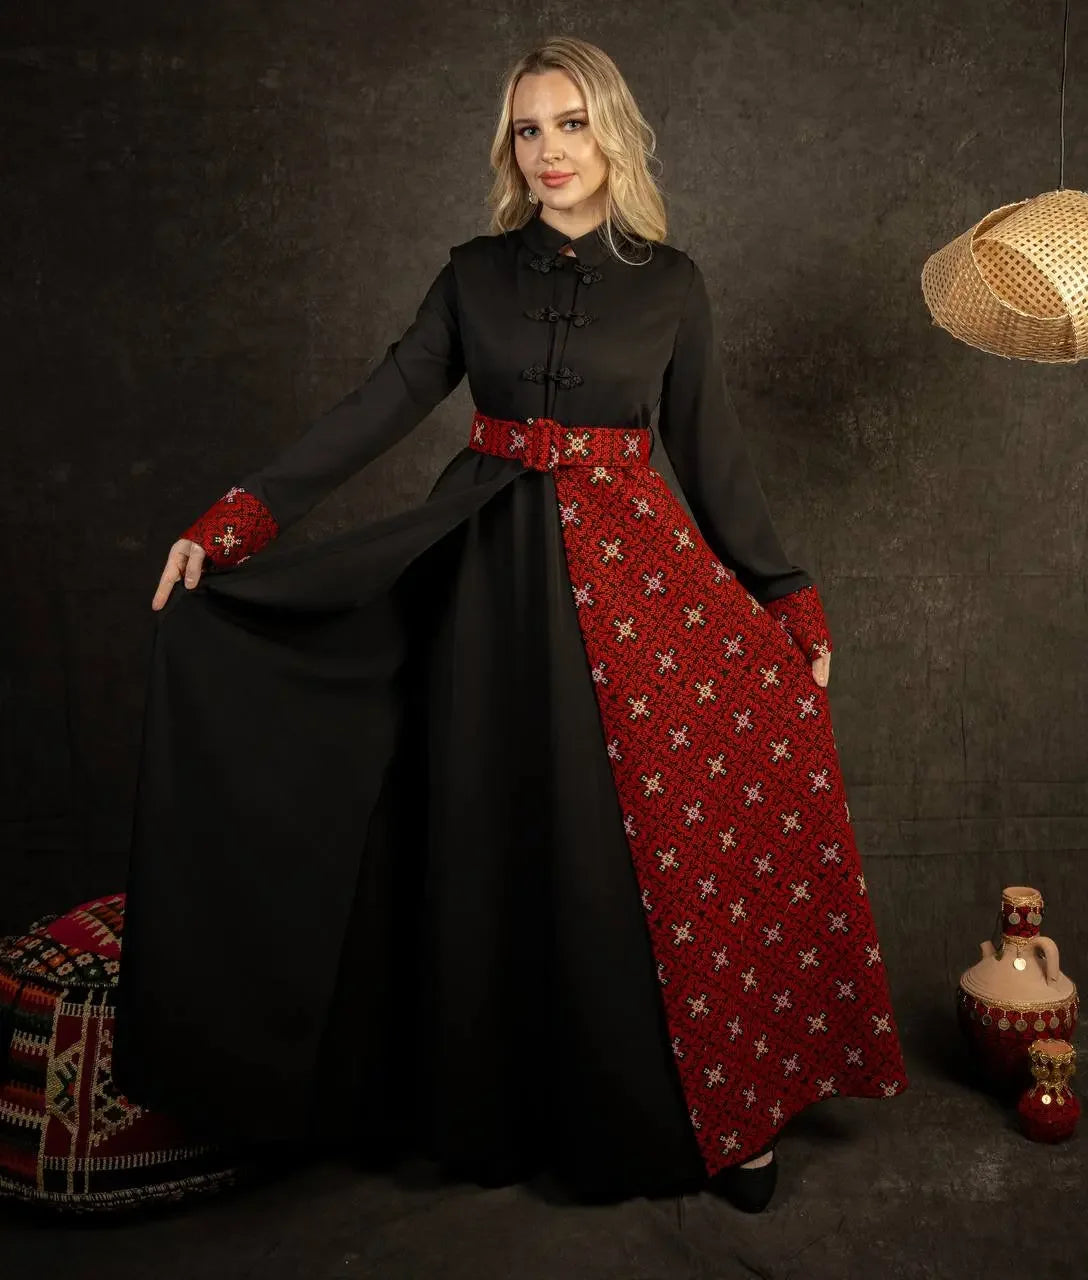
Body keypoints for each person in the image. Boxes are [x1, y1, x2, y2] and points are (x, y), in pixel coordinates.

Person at [113, 36, 908, 1215]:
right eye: (528, 129)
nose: (548, 151)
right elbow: (380, 401)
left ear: (613, 134)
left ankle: (718, 1109)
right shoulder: (471, 274)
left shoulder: (672, 283)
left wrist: (784, 592)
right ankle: (488, 1105)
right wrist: (237, 520)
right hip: (486, 581)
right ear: (509, 146)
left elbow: (710, 453)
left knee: (644, 843)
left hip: (638, 590)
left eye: (570, 123)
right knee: (492, 829)